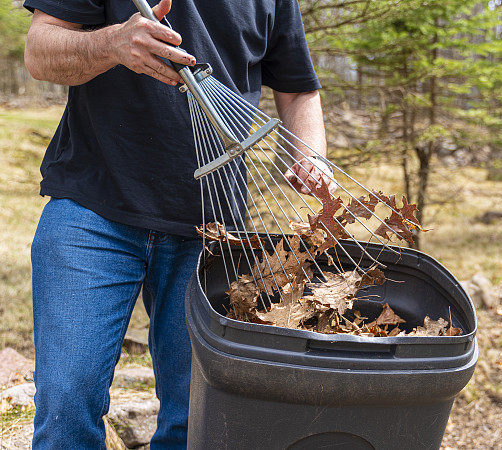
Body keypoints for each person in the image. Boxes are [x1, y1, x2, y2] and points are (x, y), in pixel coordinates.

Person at [22, 0, 331, 447]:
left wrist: (311, 155)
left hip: (212, 229)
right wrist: (113, 42)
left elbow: (299, 89)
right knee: (67, 401)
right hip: (93, 209)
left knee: (195, 421)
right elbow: (40, 50)